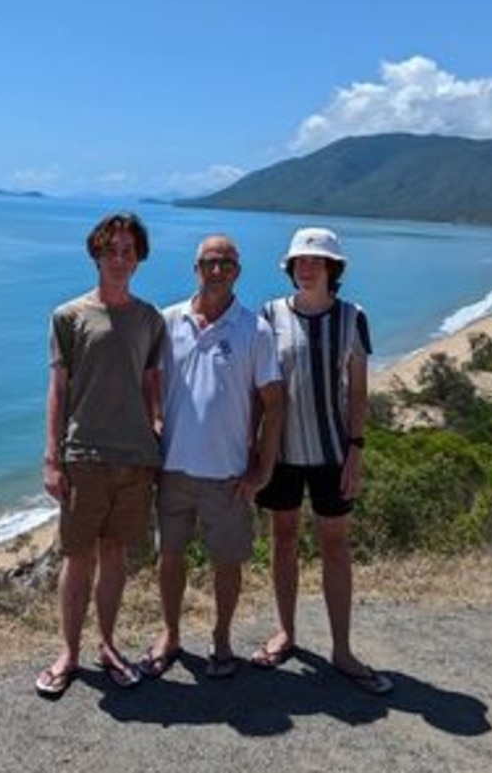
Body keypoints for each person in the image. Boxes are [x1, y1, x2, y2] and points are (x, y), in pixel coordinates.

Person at [251, 227, 393, 695]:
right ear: (290, 267)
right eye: (299, 260)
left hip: (333, 452)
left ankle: (342, 648)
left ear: (333, 268)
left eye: (316, 259)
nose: (306, 266)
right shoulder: (270, 314)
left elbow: (357, 389)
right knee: (283, 537)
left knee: (335, 546)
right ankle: (287, 632)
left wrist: (357, 449)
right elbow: (259, 386)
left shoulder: (353, 317)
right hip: (283, 452)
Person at [139, 234, 283, 679]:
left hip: (228, 473)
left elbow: (274, 402)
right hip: (174, 468)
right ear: (196, 268)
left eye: (226, 262)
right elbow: (149, 380)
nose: (217, 270)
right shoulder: (168, 322)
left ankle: (221, 637)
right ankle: (170, 634)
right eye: (209, 262)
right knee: (170, 558)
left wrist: (263, 467)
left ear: (237, 271)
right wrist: (156, 423)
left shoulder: (254, 329)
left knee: (227, 562)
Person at [36, 212, 165, 698]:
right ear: (96, 253)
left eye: (127, 250)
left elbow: (153, 384)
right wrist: (52, 456)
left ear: (138, 258)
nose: (119, 258)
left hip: (134, 458)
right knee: (77, 556)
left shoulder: (150, 319)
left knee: (115, 556)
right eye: (110, 249)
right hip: (84, 454)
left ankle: (107, 644)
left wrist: (157, 433)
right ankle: (68, 652)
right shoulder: (68, 316)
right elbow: (58, 389)